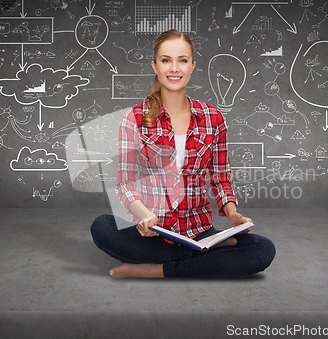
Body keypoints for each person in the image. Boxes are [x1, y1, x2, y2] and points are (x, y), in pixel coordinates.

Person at [90, 29, 276, 278]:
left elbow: (221, 177)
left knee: (262, 249)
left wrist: (232, 215)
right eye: (166, 60)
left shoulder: (213, 117)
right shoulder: (134, 118)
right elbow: (125, 183)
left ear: (192, 66)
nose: (174, 68)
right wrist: (145, 217)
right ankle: (207, 258)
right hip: (154, 233)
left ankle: (157, 270)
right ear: (155, 66)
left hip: (198, 231)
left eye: (182, 60)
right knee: (102, 226)